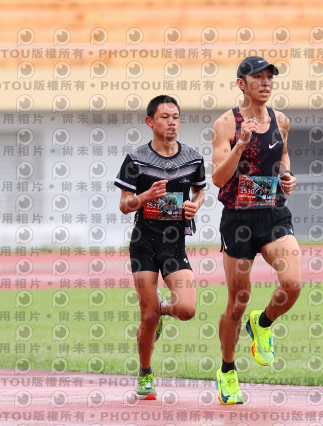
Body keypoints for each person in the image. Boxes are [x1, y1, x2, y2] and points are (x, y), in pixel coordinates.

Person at [211, 56, 302, 404]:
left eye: (269, 78)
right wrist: (240, 143)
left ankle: (262, 323)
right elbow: (218, 178)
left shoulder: (281, 120)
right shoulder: (226, 123)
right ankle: (227, 370)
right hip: (238, 220)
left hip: (273, 214)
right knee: (237, 302)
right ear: (241, 84)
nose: (265, 83)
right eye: (258, 78)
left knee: (292, 285)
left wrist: (287, 176)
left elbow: (282, 156)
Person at [115, 95, 206, 400]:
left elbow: (200, 191)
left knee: (187, 309)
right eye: (165, 117)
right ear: (150, 121)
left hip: (174, 244)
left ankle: (163, 308)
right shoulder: (136, 159)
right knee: (147, 315)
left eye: (176, 117)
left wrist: (195, 205)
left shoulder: (193, 158)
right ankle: (145, 372)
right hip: (144, 243)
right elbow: (125, 206)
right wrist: (146, 197)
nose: (171, 122)